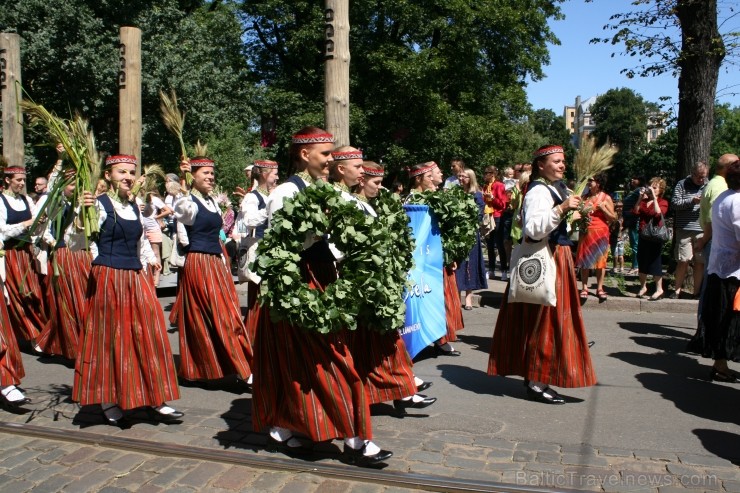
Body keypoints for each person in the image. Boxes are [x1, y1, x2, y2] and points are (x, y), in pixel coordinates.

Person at [253, 127, 391, 466]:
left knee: (309, 360)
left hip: (323, 277)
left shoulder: (323, 189)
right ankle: (355, 438)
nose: (331, 159)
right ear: (305, 155)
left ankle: (295, 424)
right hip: (300, 285)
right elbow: (283, 246)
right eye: (326, 154)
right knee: (328, 358)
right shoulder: (286, 191)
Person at [73, 154, 182, 426]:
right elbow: (75, 240)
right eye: (122, 172)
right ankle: (109, 398)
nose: (128, 177)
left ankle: (155, 397)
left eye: (131, 172)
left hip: (135, 276)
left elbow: (141, 239)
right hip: (109, 276)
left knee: (149, 334)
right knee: (111, 337)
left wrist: (150, 258)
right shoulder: (97, 205)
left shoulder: (134, 205)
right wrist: (79, 214)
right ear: (108, 176)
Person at [488, 144, 596, 404]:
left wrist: (576, 216)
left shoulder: (555, 189)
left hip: (557, 258)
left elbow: (556, 225)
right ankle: (536, 380)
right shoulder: (538, 191)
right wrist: (562, 209)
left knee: (548, 322)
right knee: (544, 324)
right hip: (547, 260)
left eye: (562, 161)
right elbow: (534, 229)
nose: (562, 165)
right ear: (541, 165)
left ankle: (538, 377)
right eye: (556, 161)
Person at [172, 157, 253, 387]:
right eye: (205, 173)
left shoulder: (211, 201)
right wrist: (184, 187)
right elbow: (182, 218)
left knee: (228, 312)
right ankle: (240, 369)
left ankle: (234, 366)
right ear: (193, 176)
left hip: (217, 261)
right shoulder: (188, 201)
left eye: (211, 173)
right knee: (218, 316)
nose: (210, 177)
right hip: (199, 261)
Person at [35, 168, 96, 360]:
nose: (75, 188)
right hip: (66, 255)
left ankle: (86, 344)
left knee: (87, 301)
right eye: (71, 184)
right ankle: (76, 347)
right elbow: (45, 227)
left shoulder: (86, 202)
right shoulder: (57, 202)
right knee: (73, 302)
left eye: (78, 184)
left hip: (85, 255)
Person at [689, 159, 740, 382]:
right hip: (733, 272)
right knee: (728, 322)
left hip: (721, 268)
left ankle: (720, 365)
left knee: (721, 320)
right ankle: (720, 365)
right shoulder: (737, 201)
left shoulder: (724, 197)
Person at [407, 161, 463, 356]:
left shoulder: (434, 197)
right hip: (424, 259)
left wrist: (450, 252)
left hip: (437, 255)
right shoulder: (411, 200)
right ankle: (433, 339)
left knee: (442, 297)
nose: (433, 179)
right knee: (428, 299)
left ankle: (441, 338)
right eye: (429, 176)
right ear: (419, 179)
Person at [0, 165, 50, 345]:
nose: (22, 183)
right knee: (19, 295)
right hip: (11, 254)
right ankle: (32, 335)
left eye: (23, 180)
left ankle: (37, 333)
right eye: (18, 180)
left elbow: (35, 226)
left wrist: (39, 222)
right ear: (7, 180)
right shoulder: (1, 201)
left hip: (27, 253)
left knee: (35, 293)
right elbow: (2, 231)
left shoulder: (26, 199)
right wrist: (25, 224)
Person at [576, 173, 617, 301]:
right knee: (585, 261)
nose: (589, 183)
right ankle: (584, 287)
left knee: (600, 261)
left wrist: (603, 209)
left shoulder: (606, 198)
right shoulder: (584, 197)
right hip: (586, 232)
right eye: (588, 181)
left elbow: (613, 218)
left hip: (601, 232)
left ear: (598, 183)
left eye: (591, 181)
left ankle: (600, 288)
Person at [670, 161, 708, 299]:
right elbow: (674, 203)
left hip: (701, 229)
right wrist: (691, 201)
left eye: (703, 176)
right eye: (698, 176)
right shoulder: (682, 184)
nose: (701, 179)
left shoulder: (708, 185)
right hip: (684, 229)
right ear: (692, 174)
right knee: (683, 260)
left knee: (700, 262)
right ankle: (677, 290)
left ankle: (696, 292)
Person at [455, 168, 488, 309]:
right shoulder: (455, 192)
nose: (461, 179)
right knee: (458, 264)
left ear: (471, 179)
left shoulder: (476, 194)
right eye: (460, 176)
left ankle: (468, 298)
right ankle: (456, 297)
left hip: (470, 233)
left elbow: (479, 214)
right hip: (456, 234)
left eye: (465, 177)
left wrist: (466, 220)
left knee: (470, 264)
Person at [633, 177, 670, 300]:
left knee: (655, 262)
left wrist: (654, 198)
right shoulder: (644, 201)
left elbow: (658, 214)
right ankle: (643, 287)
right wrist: (640, 197)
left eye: (655, 187)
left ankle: (659, 289)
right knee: (642, 260)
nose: (652, 190)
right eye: (651, 187)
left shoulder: (663, 202)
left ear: (661, 190)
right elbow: (636, 211)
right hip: (643, 235)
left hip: (655, 236)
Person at [138, 191, 172, 287]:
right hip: (143, 229)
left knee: (155, 253)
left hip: (153, 229)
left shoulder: (154, 200)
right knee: (144, 253)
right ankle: (147, 276)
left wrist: (156, 217)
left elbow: (168, 210)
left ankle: (156, 278)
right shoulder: (139, 199)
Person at [482, 167, 508, 280]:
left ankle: (503, 271)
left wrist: (493, 198)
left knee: (499, 243)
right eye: (485, 172)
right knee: (489, 244)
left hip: (497, 216)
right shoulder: (485, 186)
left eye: (489, 173)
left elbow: (503, 204)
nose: (486, 174)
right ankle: (491, 270)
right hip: (488, 216)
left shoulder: (499, 185)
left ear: (494, 174)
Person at [621, 175, 643, 274]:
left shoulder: (640, 190)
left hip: (635, 220)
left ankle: (636, 266)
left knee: (635, 244)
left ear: (640, 180)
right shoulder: (634, 191)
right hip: (630, 221)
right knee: (633, 243)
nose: (632, 180)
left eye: (635, 178)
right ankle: (635, 265)